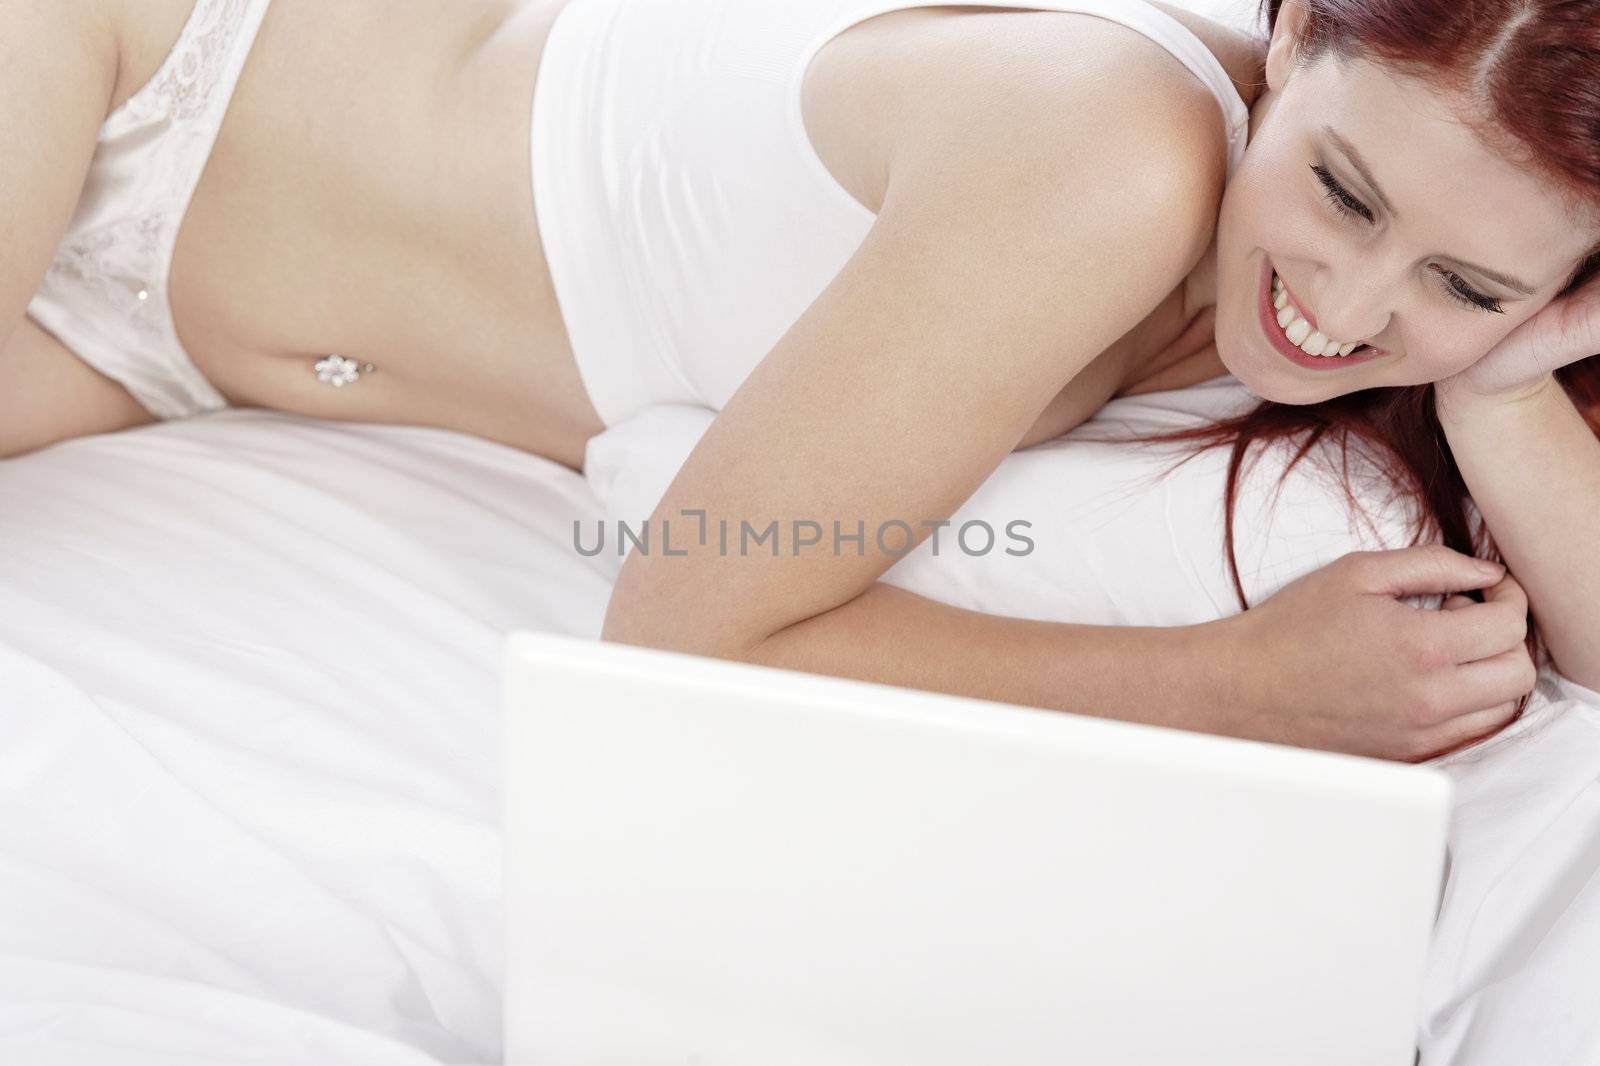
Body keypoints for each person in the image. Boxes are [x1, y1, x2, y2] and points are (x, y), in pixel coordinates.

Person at [3, 0, 1597, 761]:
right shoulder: (1113, 154)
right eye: (1344, 192)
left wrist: (1501, 383)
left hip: (155, 353)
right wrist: (1238, 687)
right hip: (145, 69)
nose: (1345, 304)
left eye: (1468, 282)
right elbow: (689, 618)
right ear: (1292, 33)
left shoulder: (1323, 342)